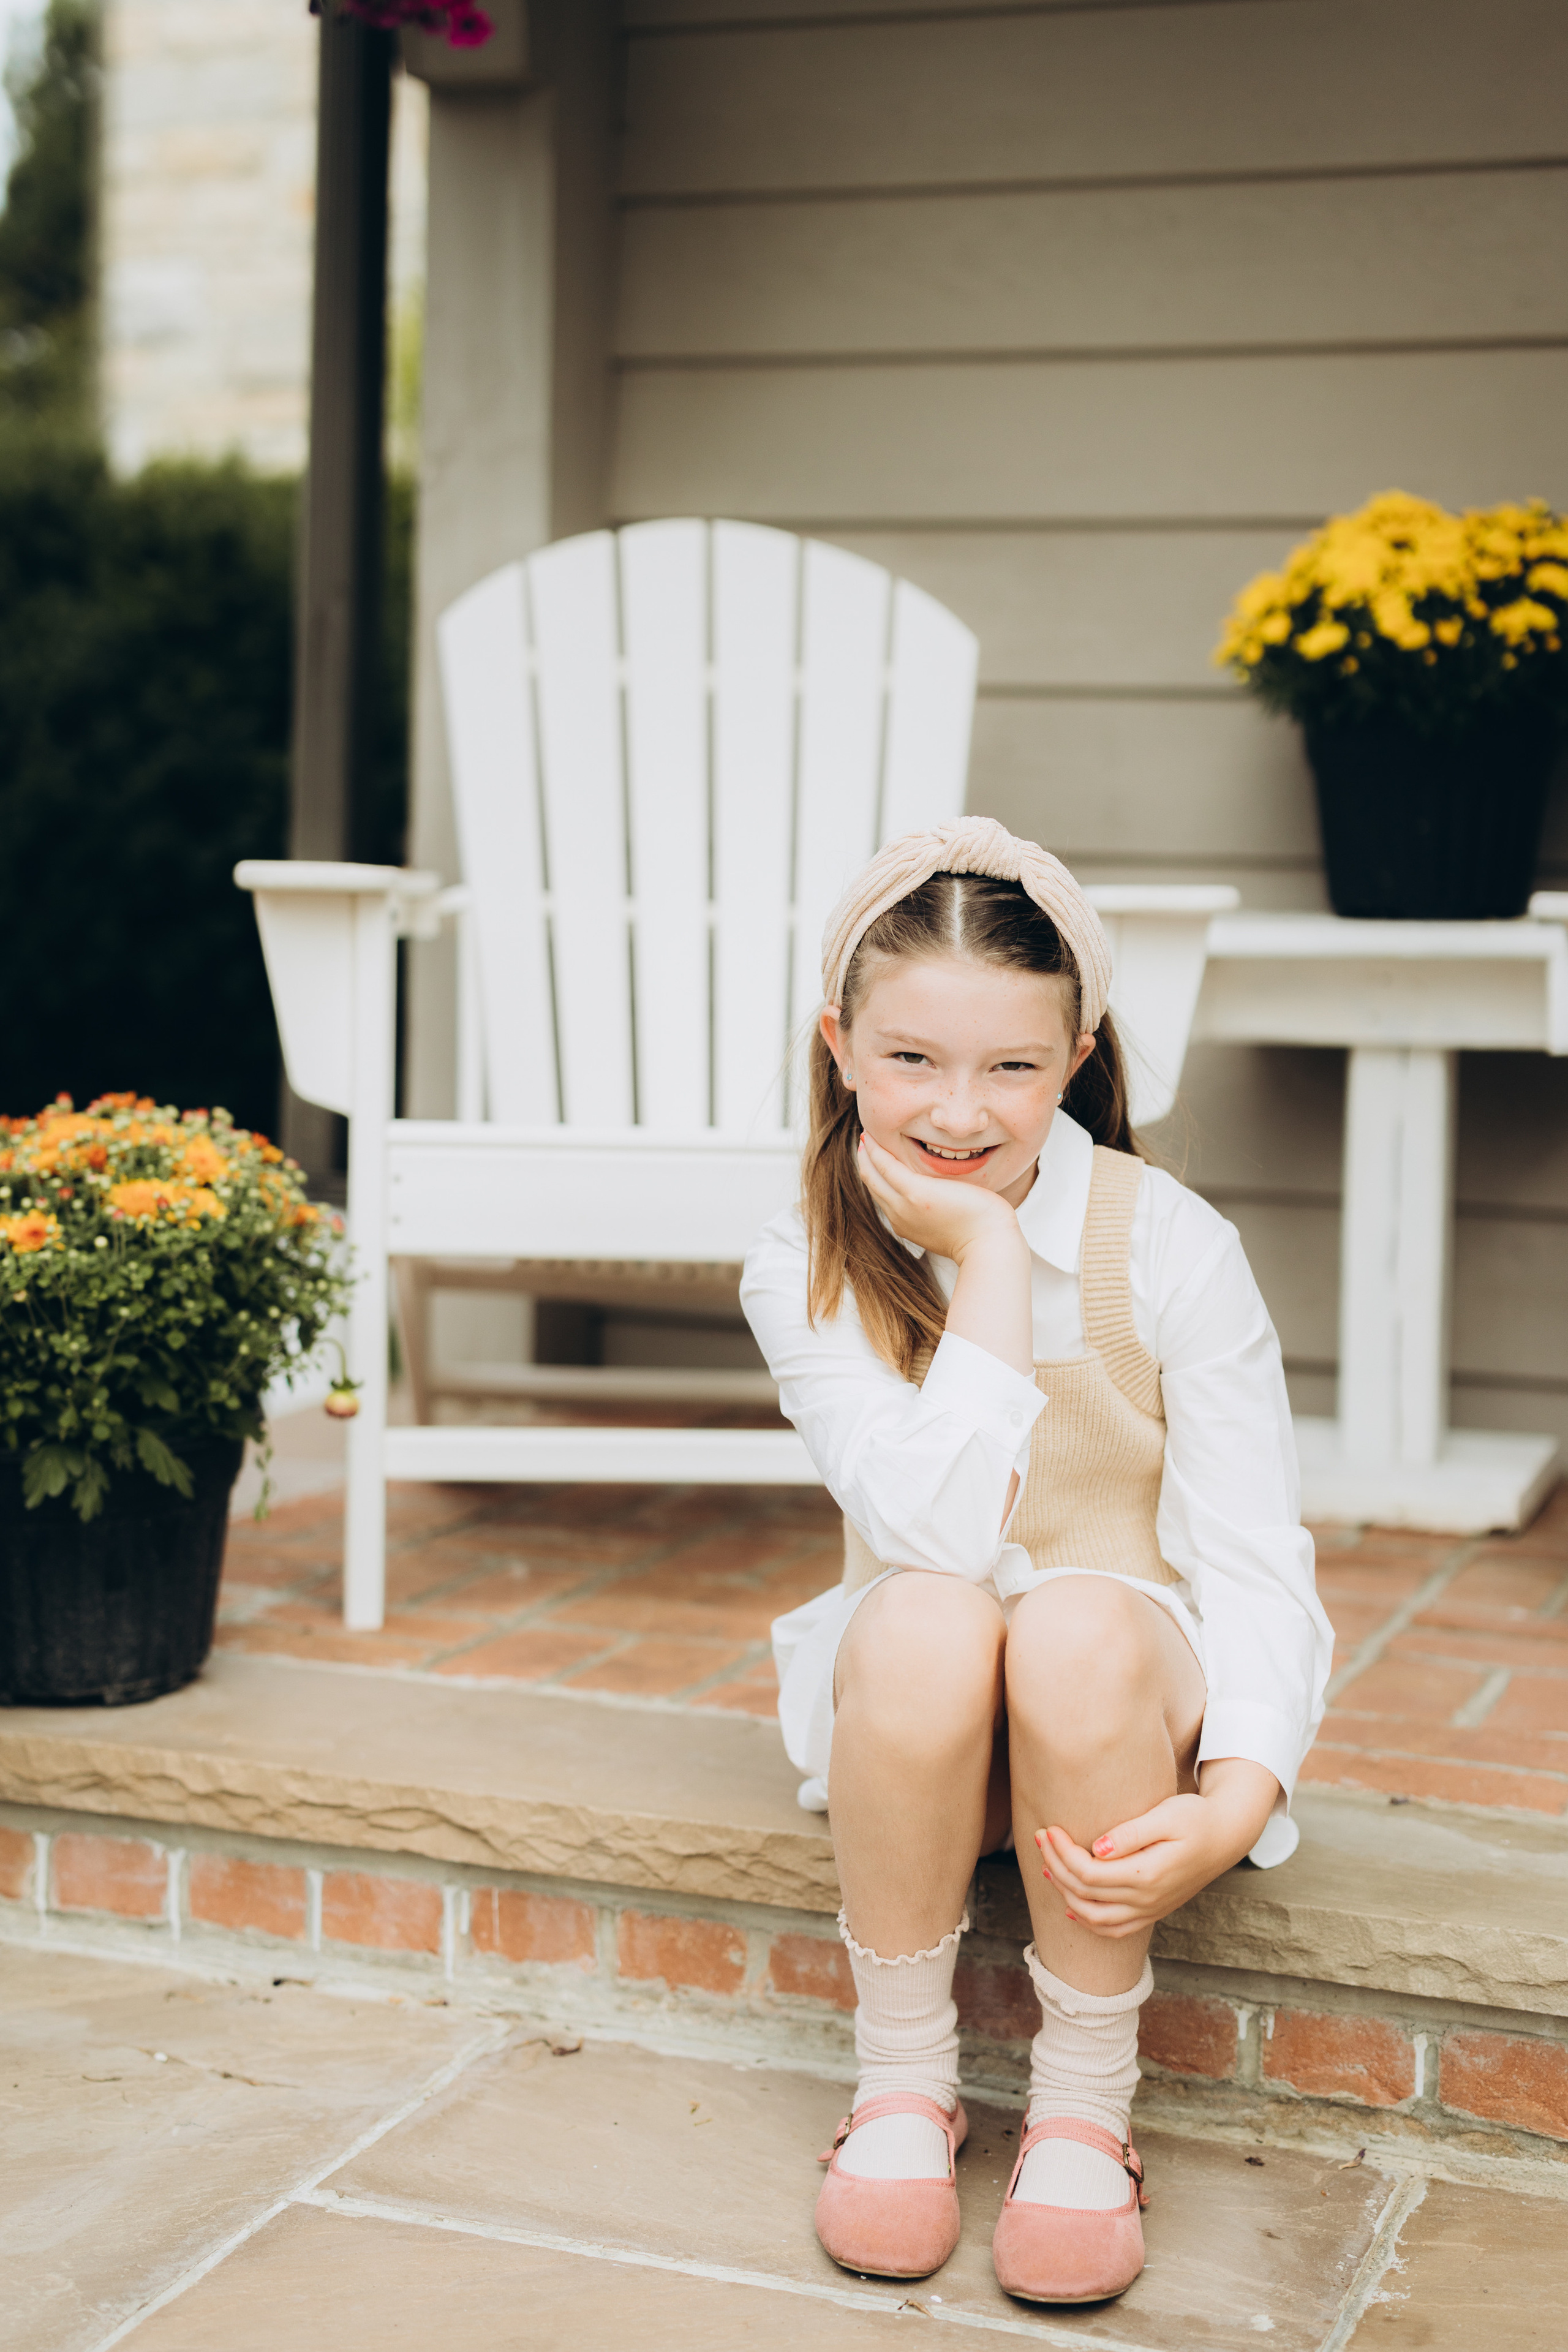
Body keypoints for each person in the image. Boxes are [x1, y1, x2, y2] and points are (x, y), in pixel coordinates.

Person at [740, 816, 1332, 2305]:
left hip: (1108, 1705)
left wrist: (1237, 1794)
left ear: (1077, 1054)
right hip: (924, 1717)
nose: (957, 1111)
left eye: (1009, 1065)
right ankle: (901, 2084)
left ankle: (1080, 2104)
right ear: (838, 1044)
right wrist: (990, 1262)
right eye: (911, 1059)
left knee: (1067, 1619)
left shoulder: (1171, 1247)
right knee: (934, 1611)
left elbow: (1256, 1553)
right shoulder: (799, 1257)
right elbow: (933, 1533)